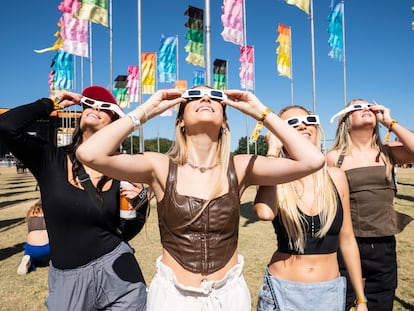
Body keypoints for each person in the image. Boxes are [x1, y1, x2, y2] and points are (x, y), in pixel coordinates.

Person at [76, 86, 325, 311]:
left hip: (228, 296)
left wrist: (260, 111)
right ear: (181, 121)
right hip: (172, 297)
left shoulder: (239, 167)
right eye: (194, 96)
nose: (206, 97)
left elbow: (313, 160)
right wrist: (145, 111)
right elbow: (88, 153)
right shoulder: (160, 166)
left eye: (215, 96)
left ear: (225, 123)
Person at [0, 86, 147, 311]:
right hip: (68, 283)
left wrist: (141, 200)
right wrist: (51, 103)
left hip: (119, 274)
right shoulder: (50, 159)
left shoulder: (122, 168)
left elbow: (126, 231)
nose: (96, 106)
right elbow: (7, 125)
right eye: (90, 103)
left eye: (105, 106)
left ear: (115, 122)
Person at [253, 105, 367, 311]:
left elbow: (348, 238)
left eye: (309, 120)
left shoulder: (337, 177)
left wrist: (360, 298)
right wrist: (272, 153)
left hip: (330, 292)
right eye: (292, 124)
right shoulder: (278, 177)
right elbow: (264, 212)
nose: (303, 125)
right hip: (280, 292)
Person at [327, 99, 414, 311]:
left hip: (383, 245)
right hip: (347, 243)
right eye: (357, 107)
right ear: (345, 121)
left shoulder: (387, 152)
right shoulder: (334, 157)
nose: (366, 109)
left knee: (381, 303)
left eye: (369, 106)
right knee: (348, 302)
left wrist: (390, 122)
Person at [17, 200, 50, 275]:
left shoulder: (31, 213)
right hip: (48, 247)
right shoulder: (49, 212)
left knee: (30, 253)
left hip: (31, 248)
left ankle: (28, 258)